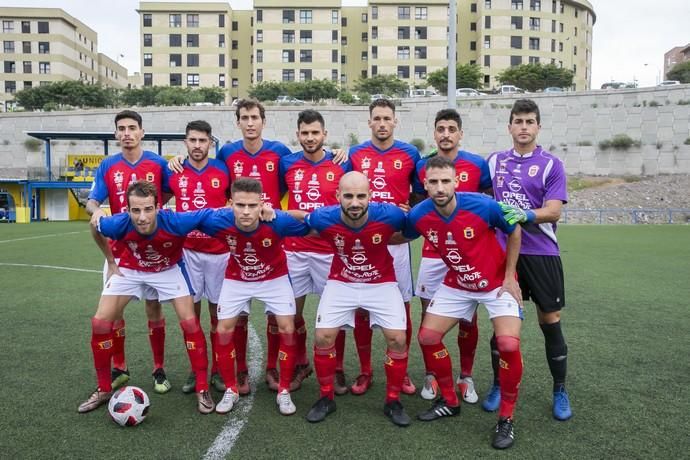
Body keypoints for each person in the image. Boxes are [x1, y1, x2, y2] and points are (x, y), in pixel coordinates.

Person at [403, 155, 523, 449]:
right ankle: (450, 400)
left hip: (495, 284)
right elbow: (397, 233)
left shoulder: (483, 205)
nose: (440, 187)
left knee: (508, 344)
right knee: (428, 337)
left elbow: (515, 229)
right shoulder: (419, 215)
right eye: (433, 182)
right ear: (425, 184)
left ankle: (506, 418)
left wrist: (510, 277)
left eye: (446, 181)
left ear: (456, 182)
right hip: (458, 284)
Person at [79, 181, 215, 415]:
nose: (142, 217)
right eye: (136, 210)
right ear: (127, 209)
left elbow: (208, 214)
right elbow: (95, 225)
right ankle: (103, 389)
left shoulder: (176, 221)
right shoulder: (117, 223)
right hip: (130, 270)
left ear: (158, 207)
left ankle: (202, 388)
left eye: (148, 209)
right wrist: (111, 261)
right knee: (101, 322)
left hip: (167, 270)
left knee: (190, 322)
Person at [485, 99, 572, 421]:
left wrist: (525, 214)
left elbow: (554, 210)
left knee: (550, 322)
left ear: (538, 127)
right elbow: (470, 188)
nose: (523, 127)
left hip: (542, 254)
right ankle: (497, 384)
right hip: (505, 253)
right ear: (509, 127)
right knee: (502, 324)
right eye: (518, 121)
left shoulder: (552, 164)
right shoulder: (493, 162)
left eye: (529, 121)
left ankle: (560, 389)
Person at [302, 171, 411, 427]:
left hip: (381, 282)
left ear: (370, 196)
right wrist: (269, 213)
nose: (354, 202)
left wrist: (392, 236)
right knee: (323, 336)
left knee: (398, 338)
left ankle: (393, 401)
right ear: (337, 195)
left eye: (361, 196)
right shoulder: (323, 216)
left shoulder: (390, 214)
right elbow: (299, 221)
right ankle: (326, 397)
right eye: (348, 196)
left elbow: (414, 227)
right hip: (342, 281)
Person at [198, 177, 310, 415]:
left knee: (287, 327)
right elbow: (186, 220)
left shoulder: (276, 222)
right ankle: (231, 389)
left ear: (262, 204)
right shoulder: (219, 220)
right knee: (223, 328)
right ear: (231, 204)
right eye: (240, 205)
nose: (246, 211)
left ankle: (284, 391)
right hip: (237, 278)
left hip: (274, 278)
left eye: (252, 205)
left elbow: (310, 221)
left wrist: (279, 212)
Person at [86, 110, 172, 395]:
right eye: (121, 128)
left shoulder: (158, 164)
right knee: (114, 312)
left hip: (152, 251)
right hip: (119, 252)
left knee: (153, 307)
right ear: (116, 134)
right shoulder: (108, 165)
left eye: (132, 128)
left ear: (142, 132)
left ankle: (158, 368)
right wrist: (97, 210)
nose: (126, 133)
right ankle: (120, 368)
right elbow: (92, 201)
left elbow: (171, 192)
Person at [410, 109, 492, 403]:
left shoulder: (477, 164)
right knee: (428, 314)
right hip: (433, 253)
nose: (446, 133)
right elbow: (419, 206)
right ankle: (432, 373)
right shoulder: (423, 166)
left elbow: (488, 206)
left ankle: (465, 376)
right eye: (441, 128)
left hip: (469, 256)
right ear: (434, 133)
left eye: (451, 129)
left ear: (460, 133)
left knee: (469, 317)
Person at [347, 98, 420, 396]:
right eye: (376, 118)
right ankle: (366, 371)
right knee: (362, 309)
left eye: (387, 118)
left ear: (395, 121)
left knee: (402, 308)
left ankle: (400, 372)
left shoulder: (410, 153)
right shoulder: (354, 154)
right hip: (362, 244)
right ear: (369, 122)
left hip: (396, 242)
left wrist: (410, 211)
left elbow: (423, 194)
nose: (381, 123)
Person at [279, 109, 351, 393]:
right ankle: (301, 363)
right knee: (291, 313)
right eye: (305, 133)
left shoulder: (341, 164)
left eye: (315, 133)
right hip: (295, 250)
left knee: (336, 316)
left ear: (324, 135)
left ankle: (338, 368)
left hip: (329, 251)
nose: (310, 138)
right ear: (298, 135)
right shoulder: (287, 163)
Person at [164, 120, 230, 395]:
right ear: (185, 142)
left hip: (219, 253)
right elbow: (159, 200)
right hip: (188, 254)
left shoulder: (222, 170)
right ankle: (197, 369)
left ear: (210, 143)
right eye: (192, 140)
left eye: (203, 140)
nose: (198, 145)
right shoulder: (174, 172)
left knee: (218, 315)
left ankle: (217, 369)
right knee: (191, 317)